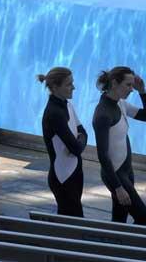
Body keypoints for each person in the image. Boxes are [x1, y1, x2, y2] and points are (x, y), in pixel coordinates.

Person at [92, 66, 146, 225]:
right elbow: (102, 155)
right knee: (143, 218)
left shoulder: (120, 104)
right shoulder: (103, 114)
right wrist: (118, 188)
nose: (131, 89)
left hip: (127, 171)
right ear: (114, 83)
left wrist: (143, 92)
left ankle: (116, 248)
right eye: (128, 85)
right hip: (115, 175)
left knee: (119, 219)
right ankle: (131, 249)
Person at [38, 67, 87, 217]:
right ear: (55, 87)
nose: (74, 87)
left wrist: (79, 140)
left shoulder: (67, 104)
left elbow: (83, 131)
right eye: (68, 84)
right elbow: (76, 149)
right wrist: (79, 140)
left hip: (75, 172)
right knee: (74, 223)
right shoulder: (54, 113)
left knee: (75, 221)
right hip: (63, 178)